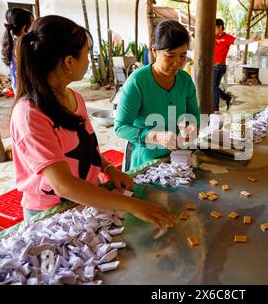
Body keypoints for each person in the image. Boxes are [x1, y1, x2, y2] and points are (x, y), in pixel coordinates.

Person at [11, 15, 174, 231]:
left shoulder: (74, 98)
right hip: (51, 215)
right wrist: (132, 205)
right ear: (69, 62)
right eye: (87, 53)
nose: (89, 60)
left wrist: (109, 168)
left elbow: (86, 147)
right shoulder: (30, 114)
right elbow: (63, 185)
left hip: (86, 201)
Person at [114, 20, 201, 171]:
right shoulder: (137, 81)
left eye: (182, 56)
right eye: (170, 55)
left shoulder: (185, 80)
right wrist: (155, 136)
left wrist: (193, 126)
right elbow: (120, 127)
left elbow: (193, 113)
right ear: (154, 51)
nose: (177, 63)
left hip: (177, 158)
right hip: (145, 161)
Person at [214, 18, 258, 113]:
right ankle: (228, 98)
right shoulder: (213, 37)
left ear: (220, 27)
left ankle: (216, 109)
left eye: (215, 27)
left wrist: (251, 40)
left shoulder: (227, 38)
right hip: (212, 67)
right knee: (213, 87)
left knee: (213, 87)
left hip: (219, 66)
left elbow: (240, 42)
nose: (214, 30)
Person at [1, 8, 34, 93]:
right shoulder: (22, 46)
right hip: (26, 91)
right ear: (24, 28)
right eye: (31, 25)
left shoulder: (10, 42)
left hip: (17, 88)